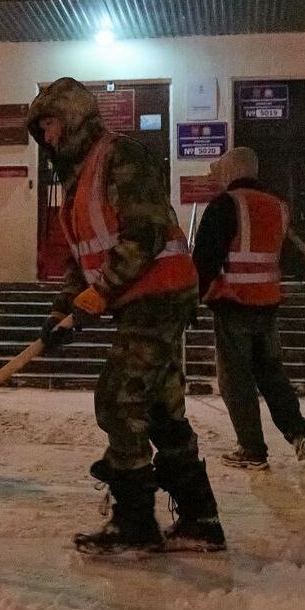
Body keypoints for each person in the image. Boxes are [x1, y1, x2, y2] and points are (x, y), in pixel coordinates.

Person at [27, 78, 226, 555]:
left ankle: (135, 524)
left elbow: (146, 233)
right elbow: (83, 258)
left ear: (74, 120)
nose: (48, 136)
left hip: (158, 296)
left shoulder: (121, 157)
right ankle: (201, 520)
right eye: (43, 128)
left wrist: (100, 296)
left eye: (52, 123)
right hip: (140, 299)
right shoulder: (76, 180)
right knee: (159, 408)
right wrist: (61, 312)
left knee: (118, 400)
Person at [191, 147, 305, 470]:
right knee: (272, 374)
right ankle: (299, 432)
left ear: (231, 170)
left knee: (236, 380)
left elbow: (204, 260)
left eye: (220, 170)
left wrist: (194, 297)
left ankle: (251, 449)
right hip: (267, 303)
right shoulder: (278, 207)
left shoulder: (225, 205)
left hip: (233, 304)